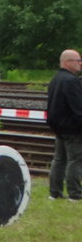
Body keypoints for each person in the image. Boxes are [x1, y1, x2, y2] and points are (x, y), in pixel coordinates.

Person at [47, 48, 82, 201]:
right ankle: (75, 194)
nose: (80, 64)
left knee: (59, 160)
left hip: (58, 126)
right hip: (73, 128)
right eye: (78, 61)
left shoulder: (55, 79)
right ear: (67, 62)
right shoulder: (71, 81)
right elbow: (78, 107)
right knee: (74, 160)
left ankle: (54, 192)